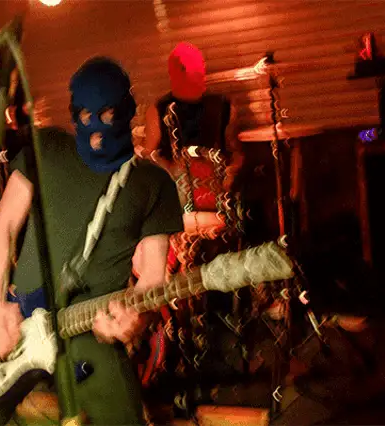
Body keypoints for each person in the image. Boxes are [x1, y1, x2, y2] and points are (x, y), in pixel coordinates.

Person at [0, 57, 185, 426]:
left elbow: (153, 280)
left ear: (129, 111)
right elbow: (4, 227)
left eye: (108, 115)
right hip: (20, 314)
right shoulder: (47, 147)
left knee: (123, 417)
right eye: (87, 116)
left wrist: (137, 320)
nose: (96, 131)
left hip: (89, 328)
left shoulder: (153, 183)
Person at [133, 42, 247, 415]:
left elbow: (234, 151)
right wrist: (174, 173)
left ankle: (190, 330)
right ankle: (182, 332)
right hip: (188, 207)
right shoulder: (163, 109)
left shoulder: (220, 107)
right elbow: (151, 156)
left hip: (204, 208)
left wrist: (225, 176)